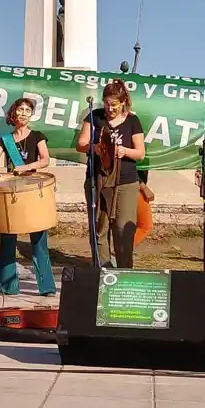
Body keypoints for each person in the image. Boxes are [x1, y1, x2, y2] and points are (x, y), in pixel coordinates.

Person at [0, 98, 55, 296]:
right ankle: (7, 286)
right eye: (20, 109)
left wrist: (26, 167)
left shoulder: (37, 136)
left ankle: (47, 287)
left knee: (39, 239)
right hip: (12, 191)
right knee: (8, 238)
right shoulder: (5, 140)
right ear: (13, 113)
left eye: (27, 110)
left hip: (32, 190)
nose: (24, 113)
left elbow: (45, 160)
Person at [76, 80, 145, 268]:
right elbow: (80, 144)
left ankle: (124, 273)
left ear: (123, 102)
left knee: (123, 230)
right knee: (100, 228)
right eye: (106, 103)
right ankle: (103, 271)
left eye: (114, 104)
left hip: (125, 182)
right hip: (97, 179)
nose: (109, 108)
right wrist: (95, 148)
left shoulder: (132, 120)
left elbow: (140, 153)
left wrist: (124, 151)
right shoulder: (94, 116)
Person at [134, 170, 155, 248]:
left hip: (136, 187)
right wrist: (144, 187)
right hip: (135, 188)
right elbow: (127, 168)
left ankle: (123, 251)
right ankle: (124, 250)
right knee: (145, 226)